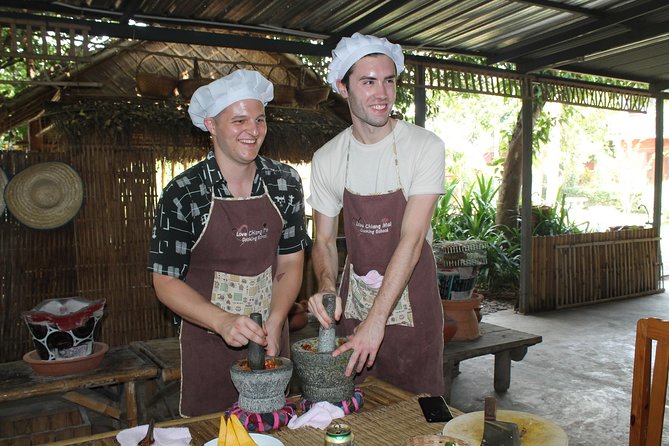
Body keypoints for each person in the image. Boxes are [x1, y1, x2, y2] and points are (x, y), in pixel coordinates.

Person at [148, 70, 310, 417]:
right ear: (211, 124)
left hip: (270, 339)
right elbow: (165, 280)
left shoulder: (284, 183)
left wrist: (277, 320)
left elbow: (291, 262)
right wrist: (221, 322)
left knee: (276, 427)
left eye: (259, 119)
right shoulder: (185, 193)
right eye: (239, 120)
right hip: (208, 341)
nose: (252, 130)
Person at [307, 33, 446, 396]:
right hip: (355, 304)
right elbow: (322, 241)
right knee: (351, 408)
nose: (381, 93)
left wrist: (376, 322)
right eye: (368, 82)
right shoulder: (328, 158)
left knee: (419, 411)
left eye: (388, 80)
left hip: (413, 301)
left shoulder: (424, 147)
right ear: (342, 87)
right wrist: (325, 287)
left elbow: (412, 239)